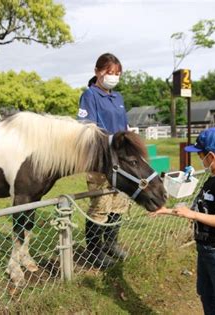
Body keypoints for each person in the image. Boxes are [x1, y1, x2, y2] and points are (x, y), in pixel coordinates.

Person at [152, 127, 215, 315]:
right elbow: (194, 210)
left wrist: (193, 215)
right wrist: (166, 211)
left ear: (211, 156)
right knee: (206, 293)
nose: (199, 159)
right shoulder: (211, 180)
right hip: (205, 248)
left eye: (200, 155)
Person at [77, 53, 130, 269]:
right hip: (100, 160)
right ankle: (94, 250)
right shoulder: (89, 95)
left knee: (119, 202)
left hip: (121, 159)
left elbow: (124, 127)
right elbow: (87, 127)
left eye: (117, 73)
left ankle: (110, 243)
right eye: (110, 72)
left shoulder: (118, 98)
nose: (114, 77)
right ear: (98, 72)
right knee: (100, 204)